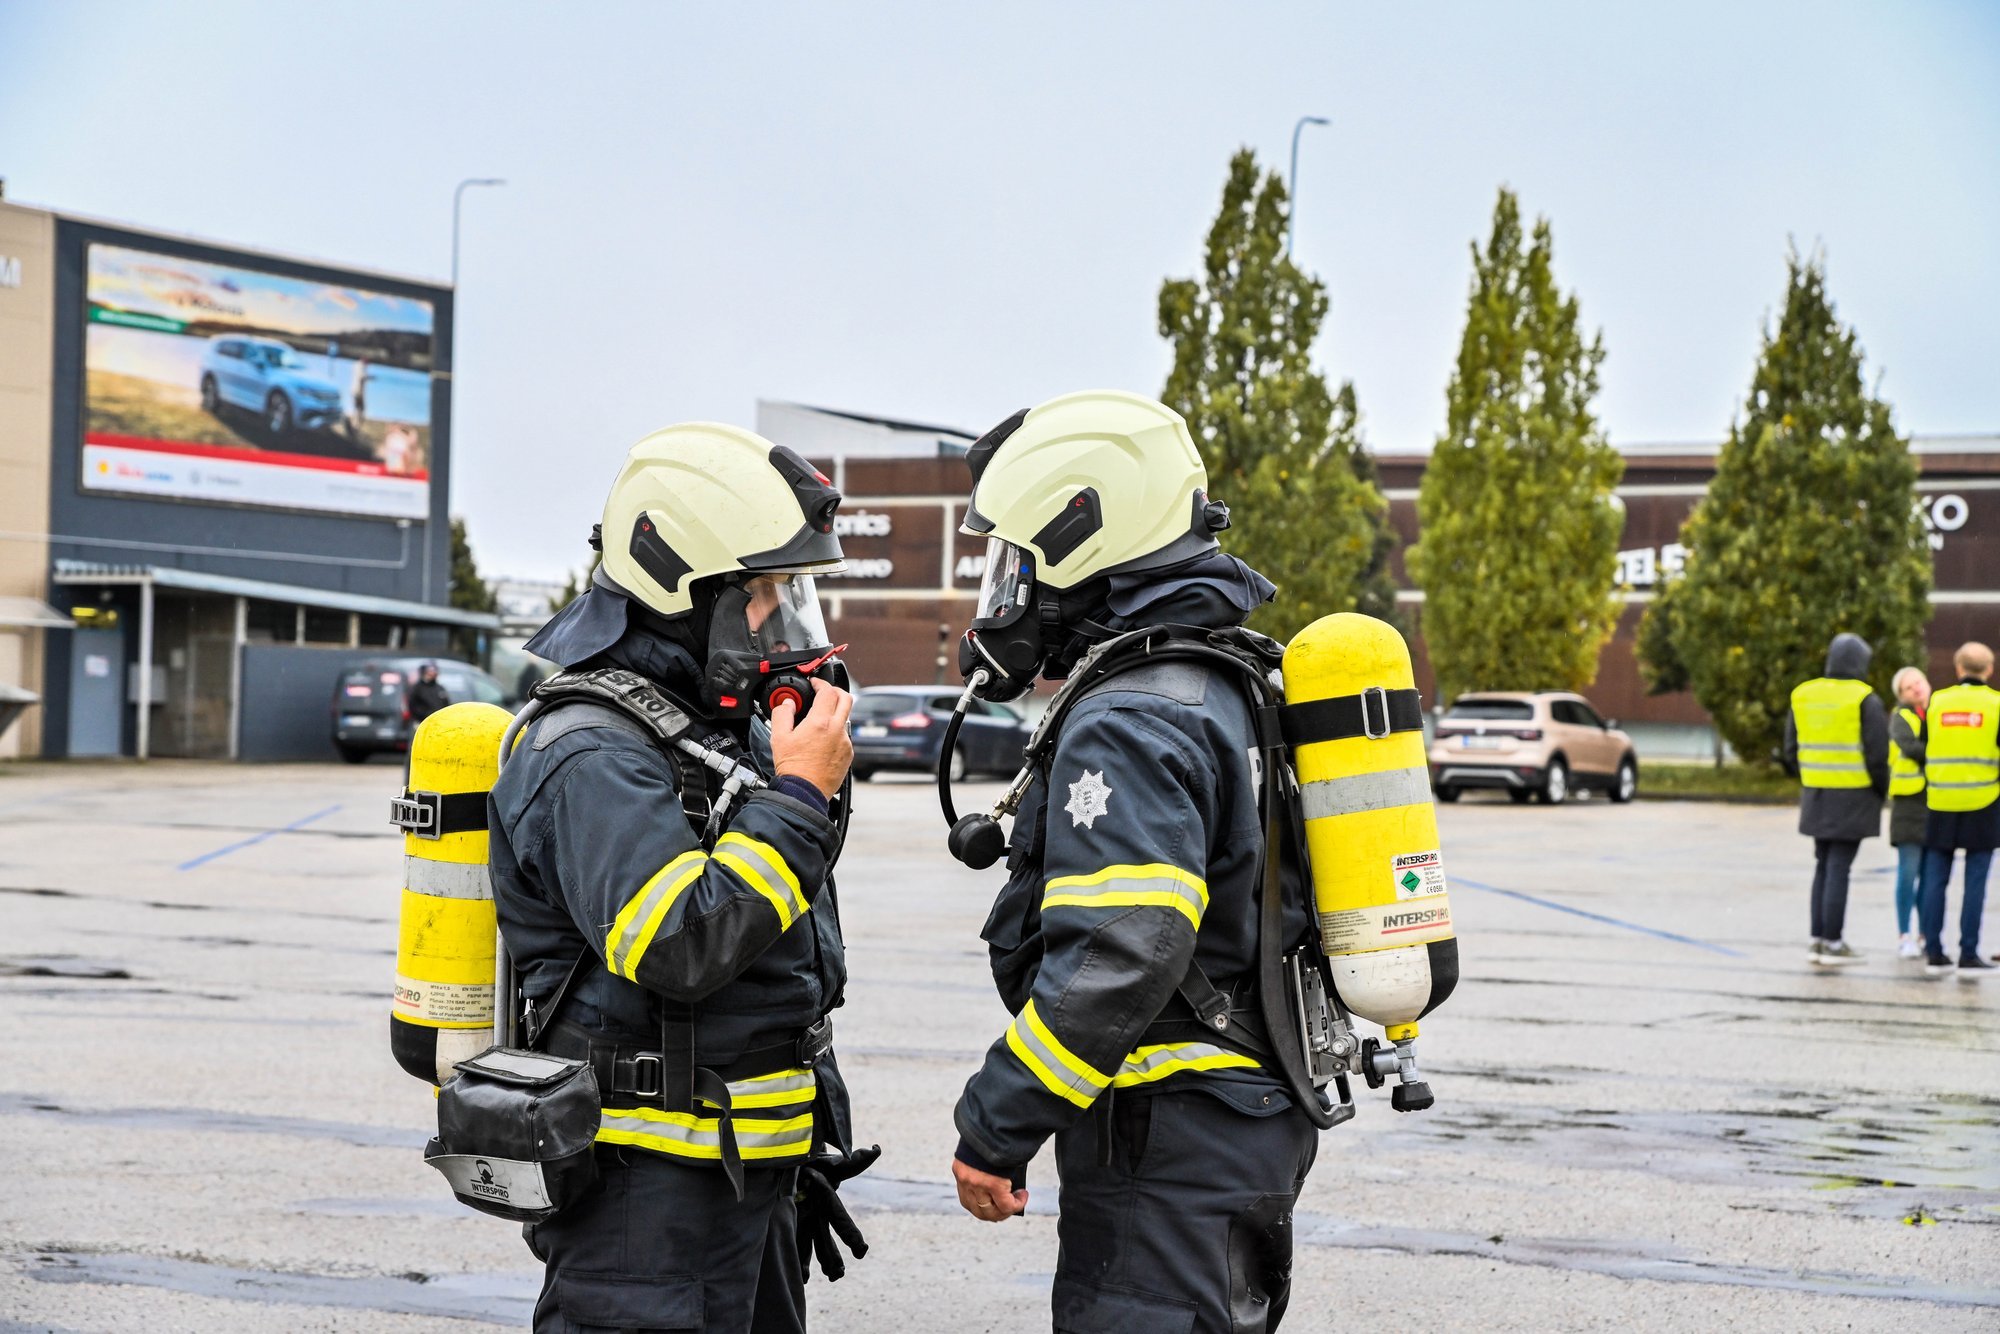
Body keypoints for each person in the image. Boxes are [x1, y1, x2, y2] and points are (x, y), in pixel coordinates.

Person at [945, 390, 1323, 1333]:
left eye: (1020, 562)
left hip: (1173, 1135)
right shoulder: (1226, 680)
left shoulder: (1136, 712)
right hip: (1238, 1124)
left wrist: (997, 1123)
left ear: (1084, 536)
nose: (1010, 595)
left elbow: (1126, 951)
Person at [489, 423, 875, 1332]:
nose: (786, 624)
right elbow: (682, 943)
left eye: (793, 594)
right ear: (679, 592)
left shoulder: (703, 731)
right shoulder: (587, 750)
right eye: (764, 596)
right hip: (644, 1209)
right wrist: (797, 797)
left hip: (742, 1185)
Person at [1781, 633, 1888, 966]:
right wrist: (1880, 790)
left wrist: (1810, 777)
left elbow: (1789, 750)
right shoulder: (1864, 699)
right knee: (1839, 867)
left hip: (1816, 794)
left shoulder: (1803, 694)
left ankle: (1817, 940)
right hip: (1854, 795)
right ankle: (1833, 943)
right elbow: (1877, 754)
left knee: (1824, 866)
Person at [1918, 642, 2000, 976]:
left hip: (1940, 802)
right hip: (1983, 802)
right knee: (1975, 881)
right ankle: (1968, 953)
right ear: (1989, 669)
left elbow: (1926, 746)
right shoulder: (1996, 704)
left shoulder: (1937, 703)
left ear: (1958, 668)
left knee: (1935, 879)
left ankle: (1934, 952)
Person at [1887, 667, 1931, 957]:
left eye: (1918, 682)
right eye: (1908, 687)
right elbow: (1912, 748)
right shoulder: (1901, 717)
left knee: (1930, 876)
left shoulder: (1936, 713)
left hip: (1934, 803)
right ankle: (1905, 936)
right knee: (1909, 873)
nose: (1916, 689)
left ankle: (1926, 934)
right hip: (1908, 807)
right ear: (1901, 695)